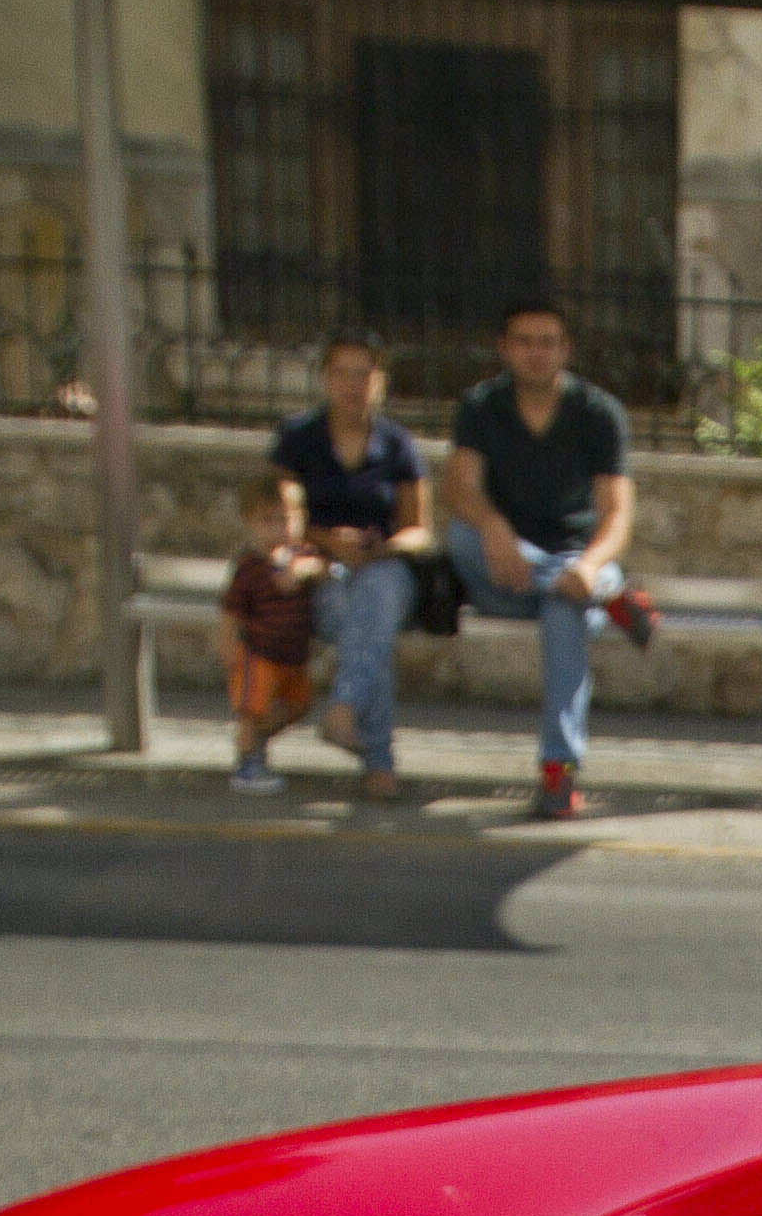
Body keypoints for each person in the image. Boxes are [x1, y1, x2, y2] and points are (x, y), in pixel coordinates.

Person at [444, 298, 652, 824]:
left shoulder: (599, 413)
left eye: (547, 342)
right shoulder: (480, 406)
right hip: (502, 569)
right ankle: (612, 599)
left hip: (578, 560)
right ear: (505, 349)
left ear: (566, 350)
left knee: (567, 608)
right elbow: (460, 488)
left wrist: (586, 568)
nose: (536, 353)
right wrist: (494, 530)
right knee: (459, 537)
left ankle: (558, 771)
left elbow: (617, 515)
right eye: (524, 341)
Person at [271, 332, 434, 800]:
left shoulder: (397, 444)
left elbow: (420, 529)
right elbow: (274, 515)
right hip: (320, 569)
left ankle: (345, 710)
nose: (351, 384)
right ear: (324, 379)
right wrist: (327, 540)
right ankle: (377, 758)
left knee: (377, 596)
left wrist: (381, 548)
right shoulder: (298, 438)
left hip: (384, 568)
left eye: (363, 373)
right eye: (340, 373)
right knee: (357, 617)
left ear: (380, 381)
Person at [221, 473, 329, 796]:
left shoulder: (301, 556)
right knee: (253, 710)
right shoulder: (250, 566)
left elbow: (325, 567)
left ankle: (253, 738)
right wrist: (227, 647)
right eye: (268, 520)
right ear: (250, 522)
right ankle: (248, 762)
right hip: (258, 653)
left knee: (298, 704)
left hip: (293, 655)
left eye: (286, 519)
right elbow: (231, 612)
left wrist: (303, 569)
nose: (278, 528)